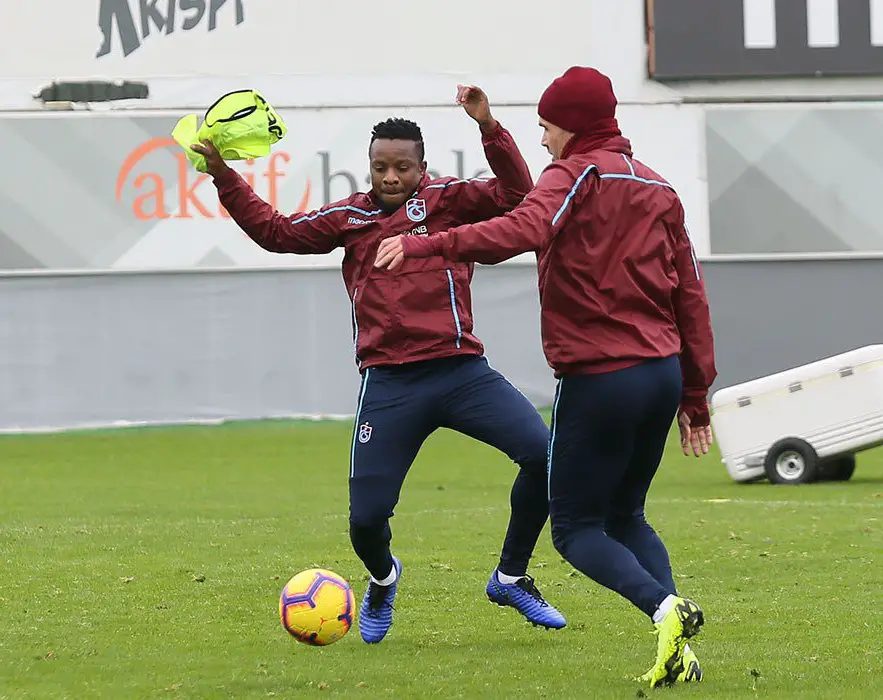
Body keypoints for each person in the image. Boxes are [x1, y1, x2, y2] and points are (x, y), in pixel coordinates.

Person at [375, 67, 716, 685]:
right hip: (662, 375)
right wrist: (695, 392)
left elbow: (522, 228)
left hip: (601, 377)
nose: (543, 140)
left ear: (574, 126)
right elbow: (689, 292)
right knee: (628, 516)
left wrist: (428, 243)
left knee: (576, 530)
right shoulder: (658, 186)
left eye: (547, 127)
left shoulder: (573, 173)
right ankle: (677, 647)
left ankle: (666, 609)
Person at [192, 85, 566, 645]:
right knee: (366, 519)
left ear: (422, 168)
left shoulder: (448, 200)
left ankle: (511, 577)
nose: (391, 177)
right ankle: (384, 579)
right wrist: (223, 174)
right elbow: (276, 233)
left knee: (546, 458)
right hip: (390, 384)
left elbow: (518, 195)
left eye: (402, 167)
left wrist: (489, 127)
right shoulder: (351, 216)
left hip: (461, 372)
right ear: (369, 168)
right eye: (380, 167)